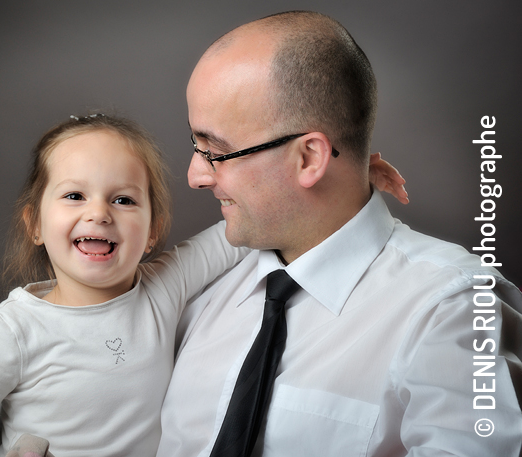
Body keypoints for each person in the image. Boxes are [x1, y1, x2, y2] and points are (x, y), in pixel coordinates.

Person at [0, 112, 404, 457]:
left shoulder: (163, 285)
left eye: (124, 200)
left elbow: (248, 227)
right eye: (74, 195)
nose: (99, 213)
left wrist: (345, 178)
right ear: (35, 225)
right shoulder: (15, 328)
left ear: (152, 230)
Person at [157, 11, 522, 457]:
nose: (196, 175)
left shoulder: (452, 311)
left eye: (217, 151)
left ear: (310, 158)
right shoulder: (199, 289)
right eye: (197, 147)